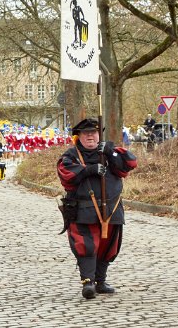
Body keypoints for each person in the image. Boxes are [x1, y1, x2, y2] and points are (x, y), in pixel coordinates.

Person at [57, 118, 137, 299]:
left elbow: (130, 163)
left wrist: (110, 152)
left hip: (111, 209)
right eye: (86, 133)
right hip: (83, 210)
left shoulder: (109, 151)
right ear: (79, 136)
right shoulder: (71, 155)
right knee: (86, 245)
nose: (90, 136)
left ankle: (100, 281)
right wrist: (88, 170)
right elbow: (65, 173)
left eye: (93, 133)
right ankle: (88, 282)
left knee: (108, 246)